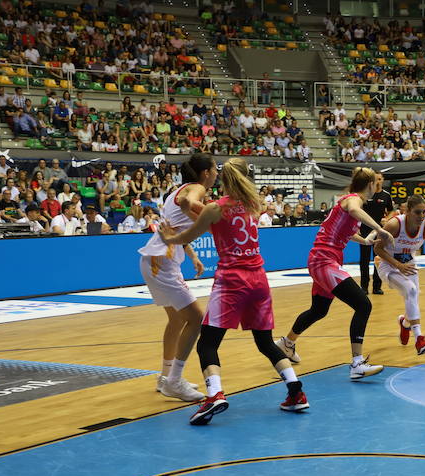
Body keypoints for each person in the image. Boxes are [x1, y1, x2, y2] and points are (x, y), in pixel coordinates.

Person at [158, 158, 308, 424]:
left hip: (231, 281)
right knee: (264, 342)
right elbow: (203, 212)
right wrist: (191, 205)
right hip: (259, 280)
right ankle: (295, 390)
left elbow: (190, 231)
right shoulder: (253, 205)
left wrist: (169, 237)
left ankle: (214, 394)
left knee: (207, 343)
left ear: (223, 179)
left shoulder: (216, 208)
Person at [275, 167, 396, 380]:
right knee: (363, 304)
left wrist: (365, 240)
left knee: (319, 309)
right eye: (375, 182)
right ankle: (357, 363)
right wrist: (380, 228)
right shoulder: (353, 200)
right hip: (324, 260)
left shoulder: (347, 202)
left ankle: (287, 343)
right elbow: (353, 209)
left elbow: (346, 231)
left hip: (322, 259)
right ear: (369, 185)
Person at [137, 153, 216, 402]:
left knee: (176, 320)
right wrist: (215, 213)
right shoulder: (196, 188)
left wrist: (192, 255)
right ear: (206, 173)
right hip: (162, 262)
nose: (216, 173)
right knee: (196, 319)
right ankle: (174, 382)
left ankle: (165, 377)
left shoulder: (175, 190)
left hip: (156, 259)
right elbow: (188, 201)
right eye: (215, 169)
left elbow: (177, 227)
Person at [375, 195, 425, 356]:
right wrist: (398, 265)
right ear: (408, 211)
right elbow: (378, 249)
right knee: (410, 290)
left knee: (413, 298)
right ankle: (419, 339)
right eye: (418, 212)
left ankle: (405, 324)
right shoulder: (394, 225)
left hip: (409, 265)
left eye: (424, 212)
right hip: (388, 265)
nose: (422, 216)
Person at [358, 171, 394, 294]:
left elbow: (391, 211)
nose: (378, 181)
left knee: (378, 258)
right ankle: (364, 287)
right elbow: (357, 210)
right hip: (364, 231)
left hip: (379, 231)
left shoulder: (386, 195)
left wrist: (387, 219)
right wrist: (356, 226)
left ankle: (377, 287)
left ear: (382, 180)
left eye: (380, 179)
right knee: (364, 260)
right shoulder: (366, 194)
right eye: (375, 179)